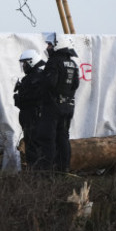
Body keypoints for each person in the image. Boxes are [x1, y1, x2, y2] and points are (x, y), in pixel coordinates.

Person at [37, 35, 80, 172]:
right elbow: (75, 85)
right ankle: (64, 169)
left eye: (50, 45)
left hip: (53, 107)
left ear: (57, 45)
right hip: (68, 107)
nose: (47, 47)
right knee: (63, 138)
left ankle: (47, 172)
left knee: (47, 138)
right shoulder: (73, 64)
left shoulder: (53, 62)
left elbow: (49, 83)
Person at [13, 49, 46, 170]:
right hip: (34, 116)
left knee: (33, 146)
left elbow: (28, 99)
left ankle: (35, 172)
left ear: (31, 62)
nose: (24, 66)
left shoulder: (33, 79)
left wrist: (17, 97)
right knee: (34, 145)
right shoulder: (38, 76)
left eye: (25, 63)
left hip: (32, 116)